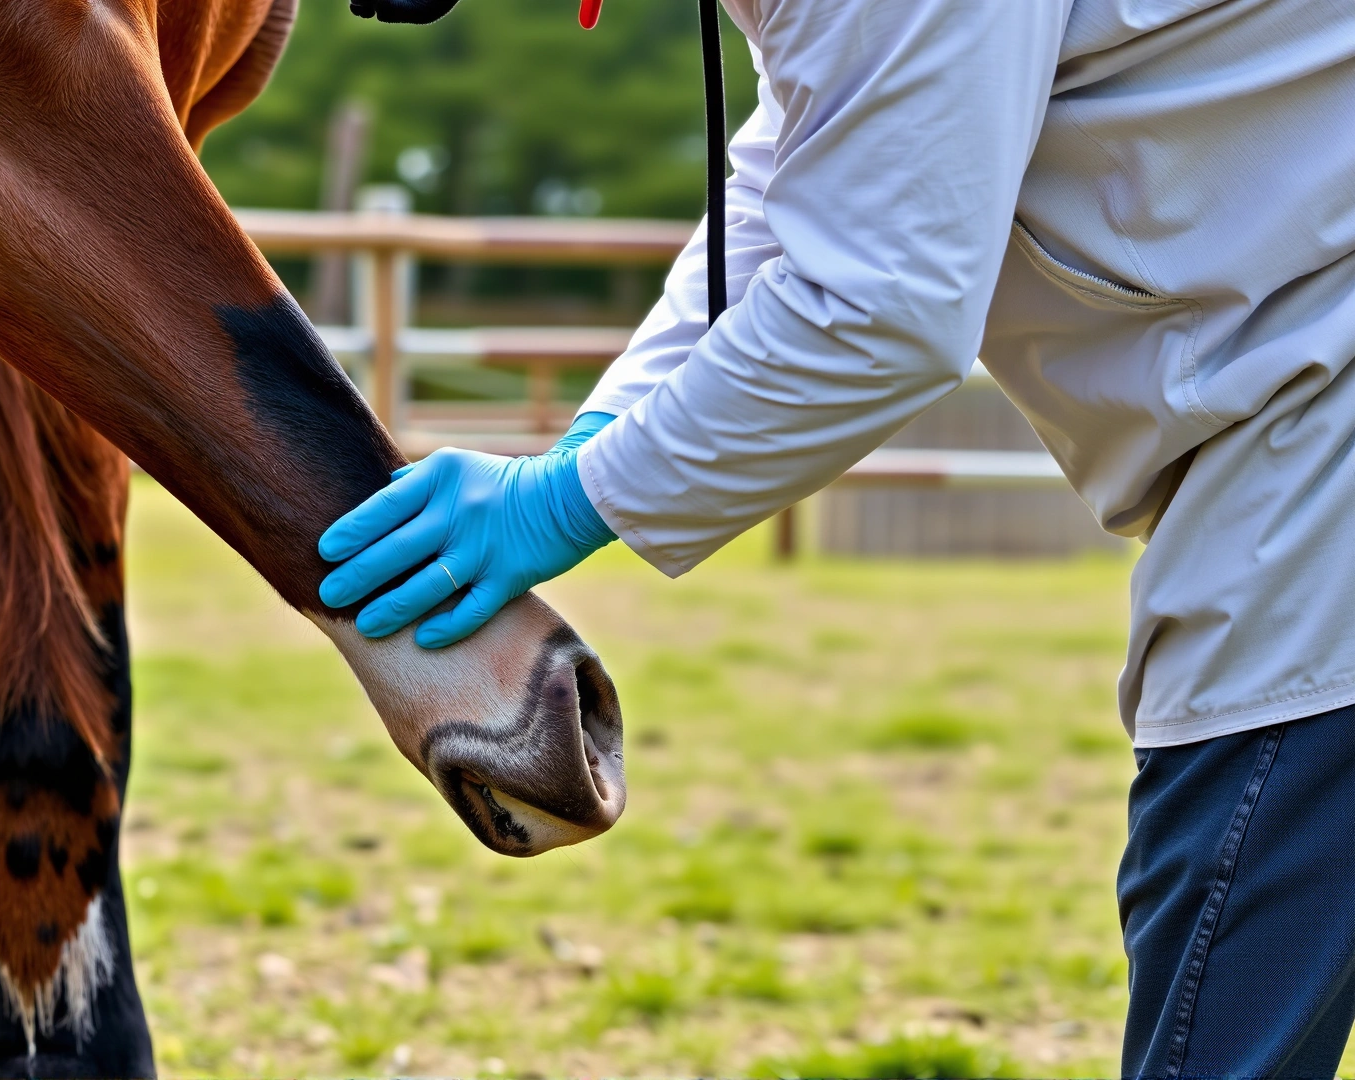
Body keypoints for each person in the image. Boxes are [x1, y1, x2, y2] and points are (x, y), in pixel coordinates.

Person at [321, 0, 1355, 1073]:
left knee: (1229, 932)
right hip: (1290, 378)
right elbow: (802, 165)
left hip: (1322, 396)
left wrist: (569, 502)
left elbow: (880, 303)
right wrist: (604, 428)